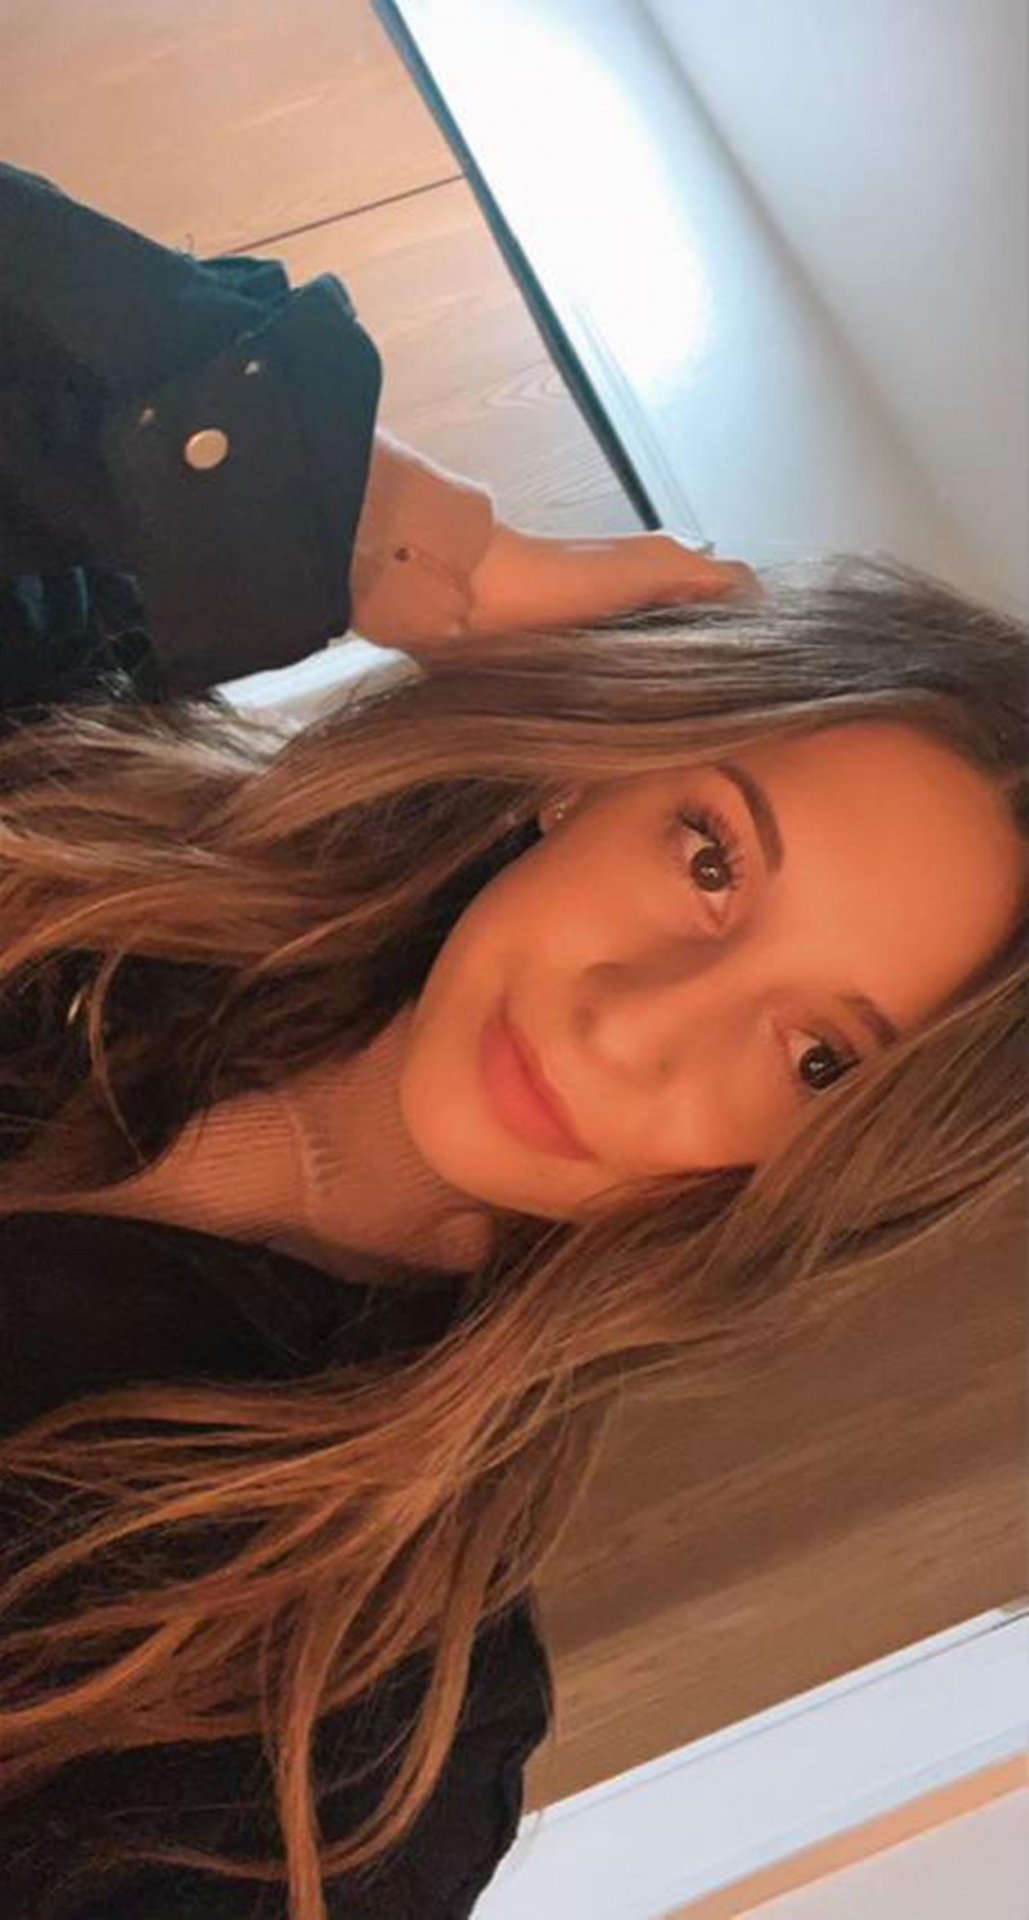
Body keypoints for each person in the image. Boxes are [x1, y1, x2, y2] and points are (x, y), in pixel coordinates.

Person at [0, 161, 1025, 1920]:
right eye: (708, 859)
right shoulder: (70, 792)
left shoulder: (348, 1715)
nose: (630, 1034)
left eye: (815, 1060)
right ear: (583, 777)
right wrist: (374, 525)